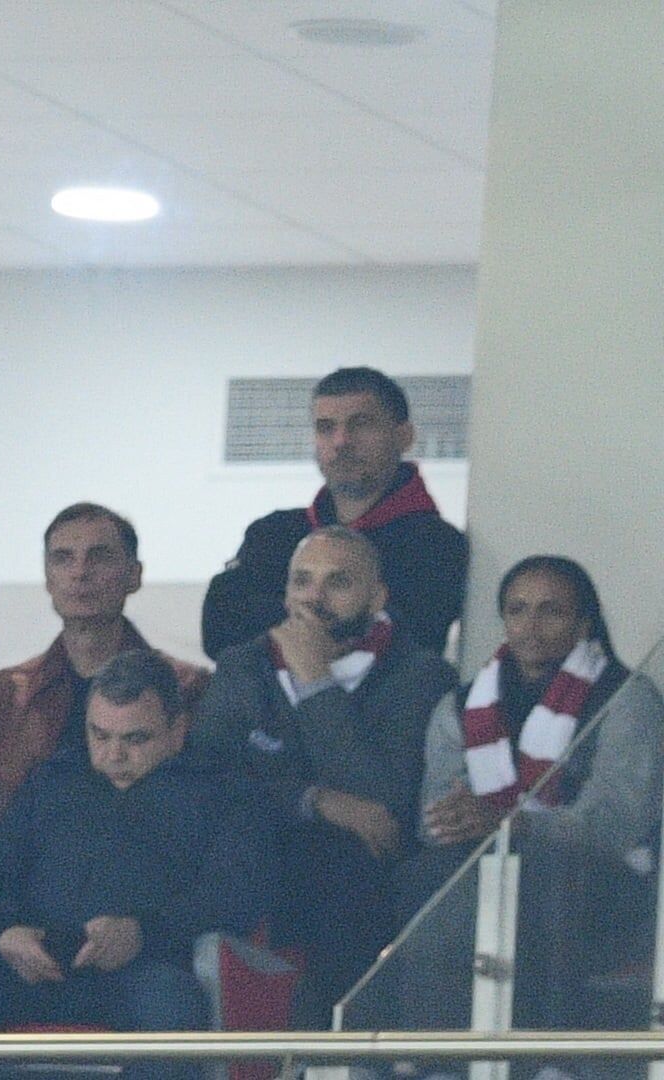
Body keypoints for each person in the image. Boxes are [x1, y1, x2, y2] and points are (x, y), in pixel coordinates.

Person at [0, 651, 275, 1080]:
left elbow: (232, 897)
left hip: (142, 971)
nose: (113, 754)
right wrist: (2, 931)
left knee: (172, 1006)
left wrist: (142, 933)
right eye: (99, 735)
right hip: (32, 966)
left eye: (135, 739)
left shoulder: (225, 795)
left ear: (177, 732)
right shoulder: (52, 781)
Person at [190, 526, 455, 1027]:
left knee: (341, 867)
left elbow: (384, 803)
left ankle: (330, 1044)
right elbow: (211, 780)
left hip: (358, 876)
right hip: (256, 856)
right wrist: (317, 800)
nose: (314, 598)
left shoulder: (420, 675)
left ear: (377, 597)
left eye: (338, 583)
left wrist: (316, 682)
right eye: (302, 581)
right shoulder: (244, 666)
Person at [398, 557, 664, 1031]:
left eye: (551, 611)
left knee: (544, 879)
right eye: (517, 610)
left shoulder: (627, 698)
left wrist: (513, 824)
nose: (531, 625)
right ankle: (432, 1050)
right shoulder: (459, 705)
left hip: (598, 879)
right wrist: (462, 821)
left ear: (585, 622)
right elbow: (433, 818)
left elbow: (616, 821)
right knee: (423, 876)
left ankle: (543, 1052)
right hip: (481, 868)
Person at [202, 366, 467, 659]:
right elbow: (221, 634)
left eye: (361, 424)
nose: (341, 441)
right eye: (326, 427)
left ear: (404, 436)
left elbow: (407, 644)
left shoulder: (438, 546)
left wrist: (279, 623)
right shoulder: (273, 533)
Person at [0, 503, 208, 812]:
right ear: (48, 578)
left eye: (99, 557)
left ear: (134, 575)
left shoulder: (188, 688)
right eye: (63, 558)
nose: (80, 573)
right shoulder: (2, 695)